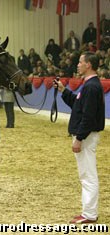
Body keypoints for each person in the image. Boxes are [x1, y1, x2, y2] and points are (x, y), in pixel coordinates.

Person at [55, 51, 105, 224]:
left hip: (86, 136)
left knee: (88, 174)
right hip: (86, 135)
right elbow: (78, 106)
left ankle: (90, 214)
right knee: (85, 174)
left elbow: (88, 116)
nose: (77, 64)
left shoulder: (91, 87)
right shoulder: (90, 85)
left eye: (80, 62)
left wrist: (79, 138)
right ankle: (87, 211)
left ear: (88, 65)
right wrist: (63, 90)